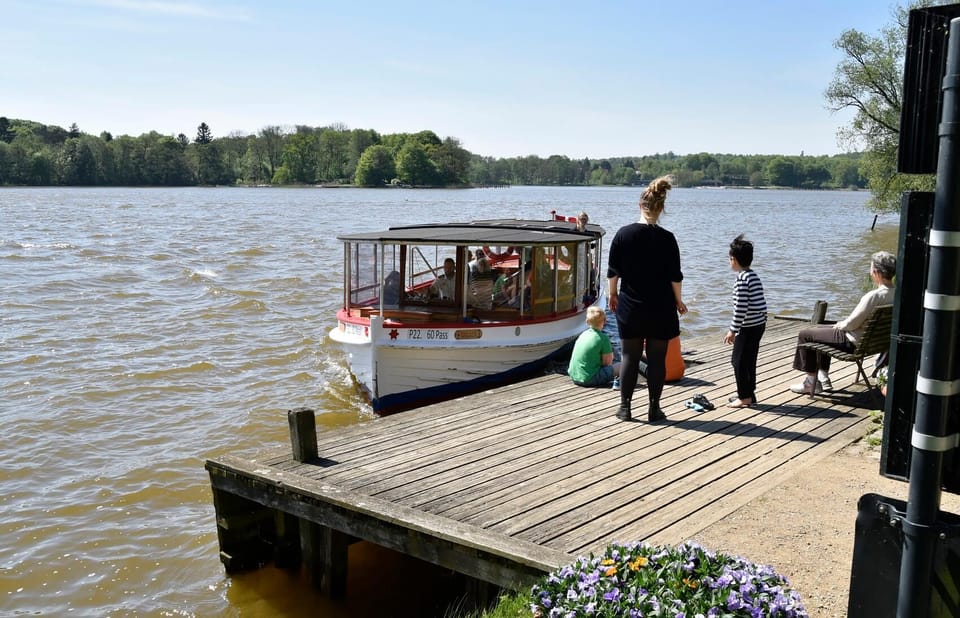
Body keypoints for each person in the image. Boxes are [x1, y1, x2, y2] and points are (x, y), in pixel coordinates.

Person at [607, 176, 687, 422]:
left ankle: (625, 408)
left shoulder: (623, 235)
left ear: (639, 205)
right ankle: (654, 408)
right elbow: (675, 277)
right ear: (661, 208)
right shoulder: (668, 239)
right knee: (656, 359)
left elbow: (613, 273)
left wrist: (612, 294)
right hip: (661, 307)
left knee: (629, 356)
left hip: (631, 307)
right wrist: (679, 301)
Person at [789, 250, 896, 395]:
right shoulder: (897, 293)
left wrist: (841, 324)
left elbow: (851, 324)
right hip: (875, 343)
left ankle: (810, 382)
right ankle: (823, 377)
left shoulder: (874, 296)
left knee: (805, 334)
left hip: (853, 342)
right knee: (821, 331)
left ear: (876, 272)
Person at [722, 235, 768, 408]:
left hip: (747, 326)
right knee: (749, 359)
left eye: (730, 258)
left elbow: (740, 308)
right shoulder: (752, 275)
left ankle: (744, 397)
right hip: (758, 324)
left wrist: (733, 330)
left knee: (738, 361)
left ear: (734, 259)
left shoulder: (741, 280)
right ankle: (749, 393)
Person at [568, 306, 620, 387]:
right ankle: (621, 384)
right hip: (588, 380)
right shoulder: (603, 338)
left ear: (587, 322)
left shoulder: (582, 334)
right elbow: (607, 363)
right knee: (622, 366)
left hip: (574, 378)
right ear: (604, 321)